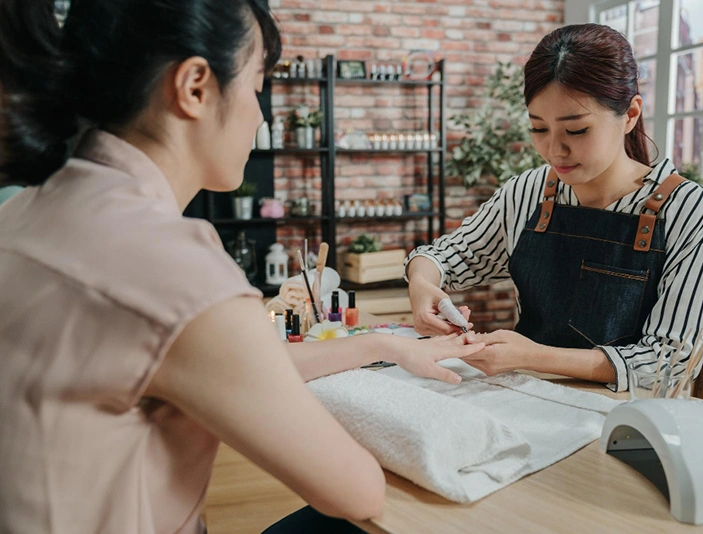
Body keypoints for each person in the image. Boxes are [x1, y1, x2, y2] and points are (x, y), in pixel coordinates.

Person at [0, 1, 483, 532]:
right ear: (195, 87)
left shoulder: (21, 211)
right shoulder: (172, 264)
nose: (261, 115)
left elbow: (223, 360)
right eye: (256, 86)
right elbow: (355, 490)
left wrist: (382, 344)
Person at [406, 23, 703, 392]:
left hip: (631, 420)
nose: (554, 151)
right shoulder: (529, 191)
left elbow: (671, 360)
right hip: (530, 399)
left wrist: (534, 356)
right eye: (539, 129)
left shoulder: (686, 209)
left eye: (576, 131)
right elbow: (446, 257)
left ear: (631, 115)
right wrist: (421, 281)